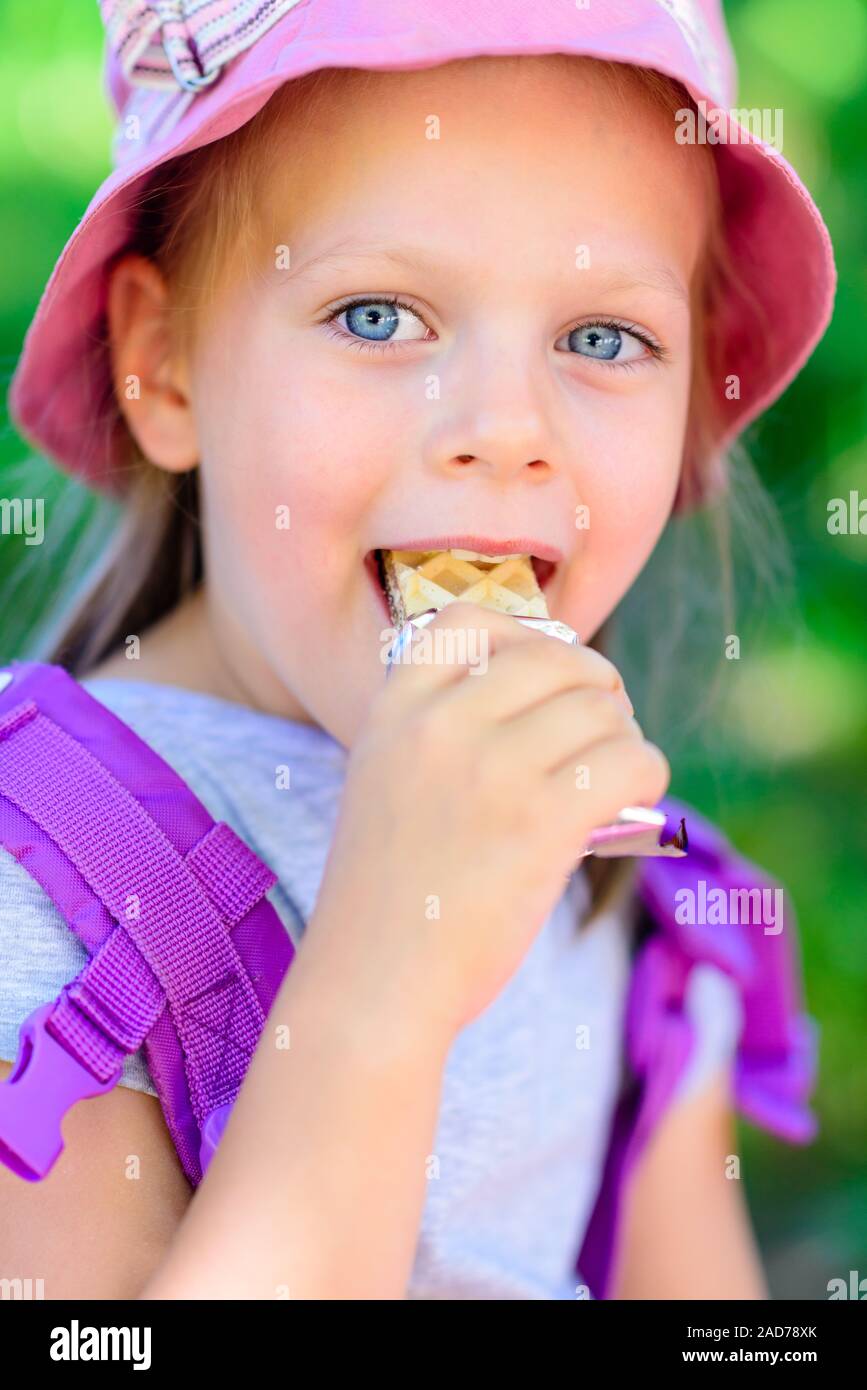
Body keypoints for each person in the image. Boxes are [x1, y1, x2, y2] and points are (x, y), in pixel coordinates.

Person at [0, 0, 833, 1299]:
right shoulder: (40, 912)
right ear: (160, 366)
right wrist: (390, 964)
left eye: (603, 338)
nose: (506, 427)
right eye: (380, 316)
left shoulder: (628, 886)